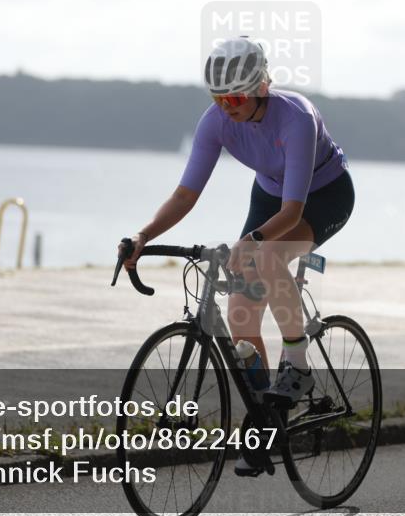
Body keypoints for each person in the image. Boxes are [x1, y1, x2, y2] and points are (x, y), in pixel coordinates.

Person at [119, 35, 354, 407]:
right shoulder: (216, 123)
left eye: (235, 98)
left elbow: (293, 211)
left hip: (322, 197)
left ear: (261, 88)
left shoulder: (297, 118)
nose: (226, 107)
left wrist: (253, 240)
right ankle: (264, 414)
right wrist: (144, 235)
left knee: (268, 257)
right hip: (268, 197)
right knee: (241, 311)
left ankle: (297, 365)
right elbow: (185, 195)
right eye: (218, 98)